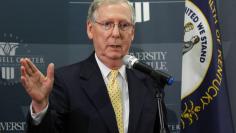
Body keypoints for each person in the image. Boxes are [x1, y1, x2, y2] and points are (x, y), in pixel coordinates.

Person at [20, 0, 169, 133]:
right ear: (90, 29)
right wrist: (40, 106)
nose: (116, 33)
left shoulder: (150, 83)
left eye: (124, 25)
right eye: (107, 24)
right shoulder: (65, 82)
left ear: (132, 33)